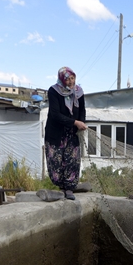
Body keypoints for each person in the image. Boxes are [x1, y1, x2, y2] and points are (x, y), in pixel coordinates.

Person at [45, 67, 87, 200]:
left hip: (72, 133)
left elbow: (82, 111)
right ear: (62, 79)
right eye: (67, 79)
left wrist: (81, 124)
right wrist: (75, 122)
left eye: (72, 78)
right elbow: (55, 114)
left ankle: (69, 188)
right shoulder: (54, 91)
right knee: (56, 162)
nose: (70, 82)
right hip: (56, 132)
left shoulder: (79, 92)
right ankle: (61, 187)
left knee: (72, 161)